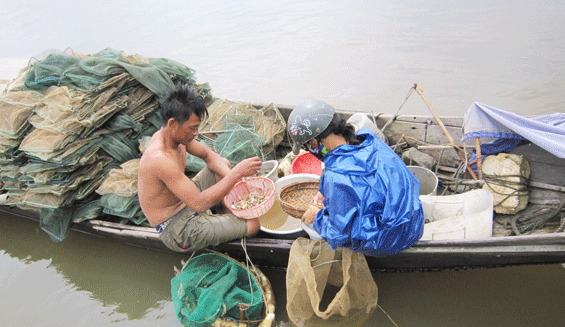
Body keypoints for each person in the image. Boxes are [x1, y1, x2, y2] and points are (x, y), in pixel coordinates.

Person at [288, 99, 424, 257]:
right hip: (414, 219)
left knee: (339, 234)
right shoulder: (368, 139)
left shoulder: (335, 177)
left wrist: (317, 218)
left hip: (394, 239)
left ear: (314, 142)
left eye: (308, 146)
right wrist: (328, 191)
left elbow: (342, 236)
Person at [138, 83, 262, 253]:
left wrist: (235, 177)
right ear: (172, 124)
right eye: (192, 128)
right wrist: (237, 173)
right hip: (177, 227)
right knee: (254, 224)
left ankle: (228, 219)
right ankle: (232, 223)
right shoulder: (160, 159)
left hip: (187, 201)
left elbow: (209, 156)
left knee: (222, 165)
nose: (196, 133)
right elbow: (198, 203)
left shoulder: (178, 139)